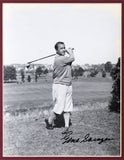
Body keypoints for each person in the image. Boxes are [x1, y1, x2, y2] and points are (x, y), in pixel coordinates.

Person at [45, 42, 75, 133]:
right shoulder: (59, 59)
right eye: (61, 48)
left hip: (68, 84)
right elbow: (72, 58)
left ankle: (66, 127)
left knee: (67, 107)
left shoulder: (64, 58)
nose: (63, 49)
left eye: (64, 48)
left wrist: (68, 51)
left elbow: (70, 60)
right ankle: (50, 122)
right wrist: (70, 51)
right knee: (59, 107)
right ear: (57, 50)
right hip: (60, 85)